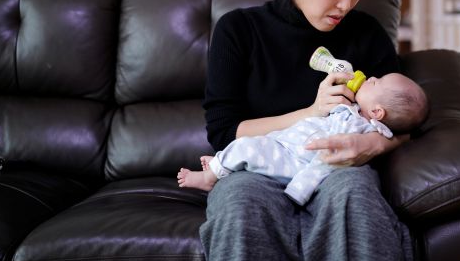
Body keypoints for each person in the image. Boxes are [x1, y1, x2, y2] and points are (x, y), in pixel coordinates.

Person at [200, 0, 414, 261]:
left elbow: (406, 117)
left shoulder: (365, 32)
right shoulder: (240, 30)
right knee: (239, 204)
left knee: (354, 195)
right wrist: (312, 112)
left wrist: (372, 143)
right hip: (257, 168)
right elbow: (224, 132)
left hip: (337, 168)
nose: (347, 5)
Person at [178, 72, 428, 206]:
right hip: (287, 142)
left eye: (376, 82)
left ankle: (212, 175)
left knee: (248, 148)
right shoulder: (354, 113)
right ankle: (226, 164)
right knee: (250, 148)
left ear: (377, 113)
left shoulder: (356, 127)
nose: (371, 77)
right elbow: (224, 128)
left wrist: (300, 189)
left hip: (297, 161)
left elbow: (326, 160)